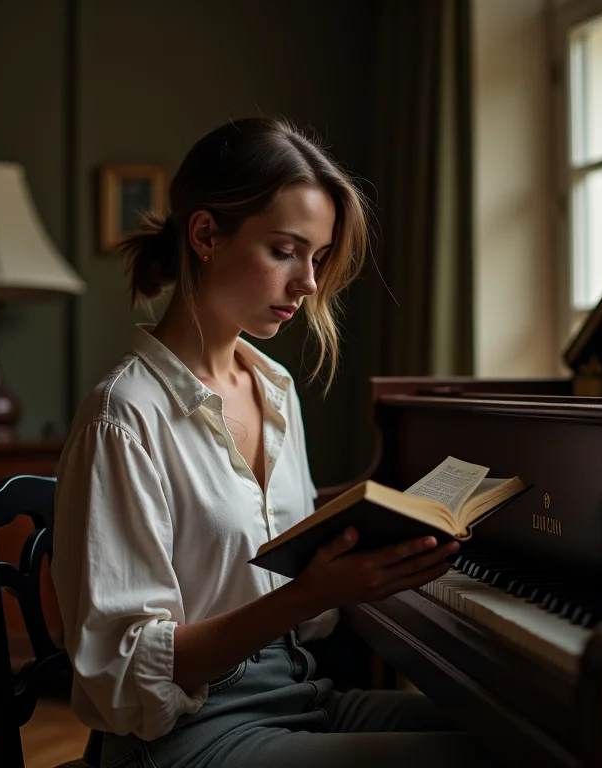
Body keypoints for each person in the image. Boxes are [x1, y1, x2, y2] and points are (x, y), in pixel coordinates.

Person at [51, 116, 496, 768]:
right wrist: (311, 592)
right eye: (286, 251)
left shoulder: (276, 389)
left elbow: (294, 589)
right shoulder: (123, 417)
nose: (308, 283)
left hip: (300, 692)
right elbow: (120, 676)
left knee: (522, 742)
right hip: (182, 733)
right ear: (206, 235)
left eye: (317, 258)